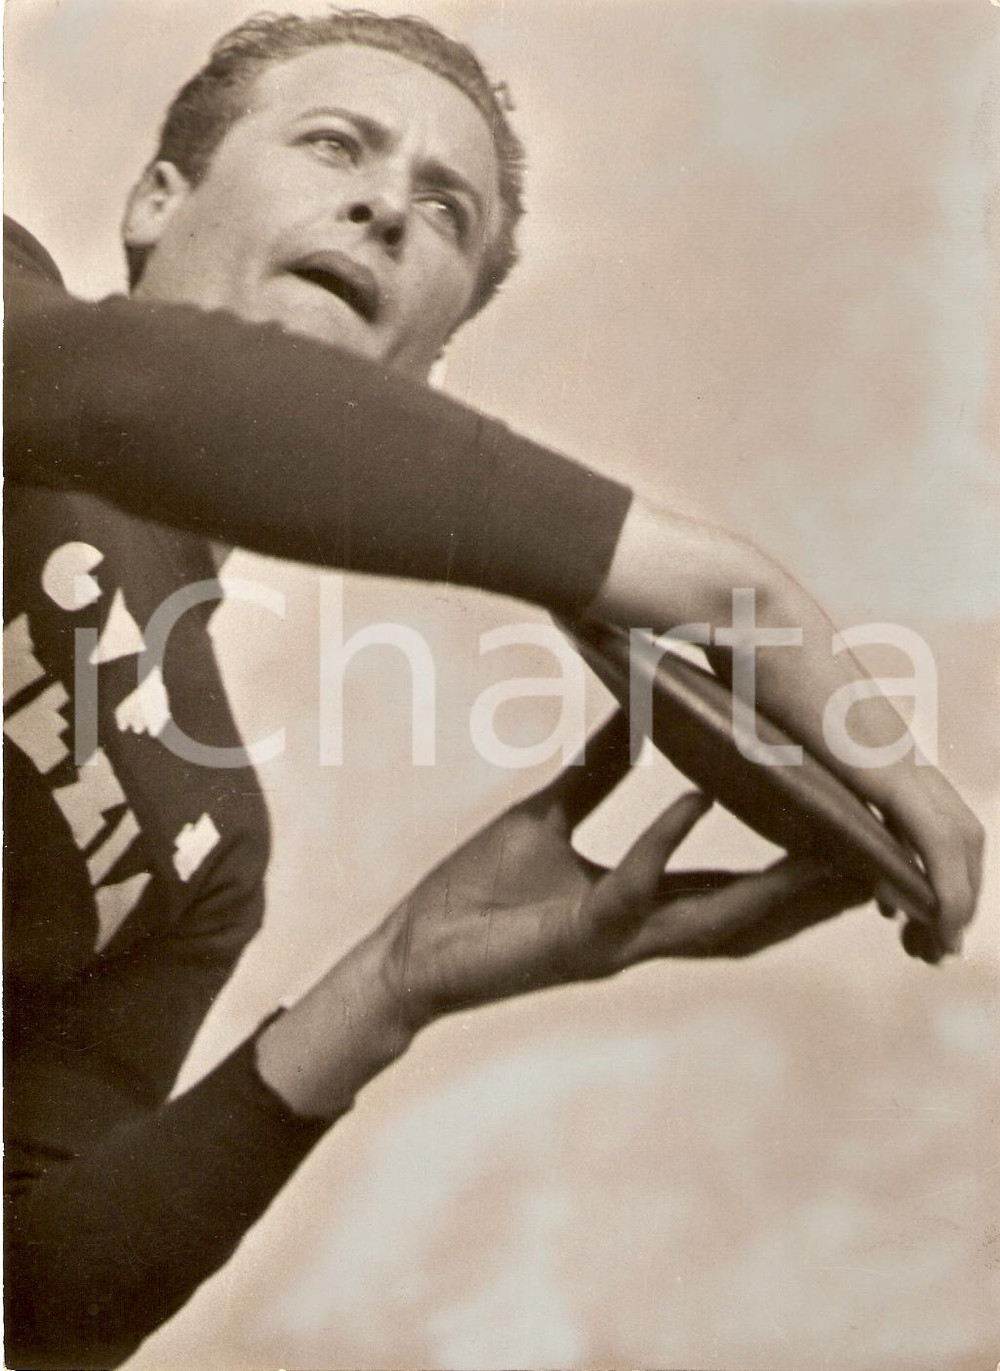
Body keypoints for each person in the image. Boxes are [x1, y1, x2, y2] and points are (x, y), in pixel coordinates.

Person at [3, 10, 983, 1369]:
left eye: (446, 212)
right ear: (157, 199)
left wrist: (393, 990)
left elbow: (39, 1309)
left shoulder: (204, 846)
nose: (386, 204)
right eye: (334, 143)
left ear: (429, 370)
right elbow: (130, 395)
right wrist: (715, 585)